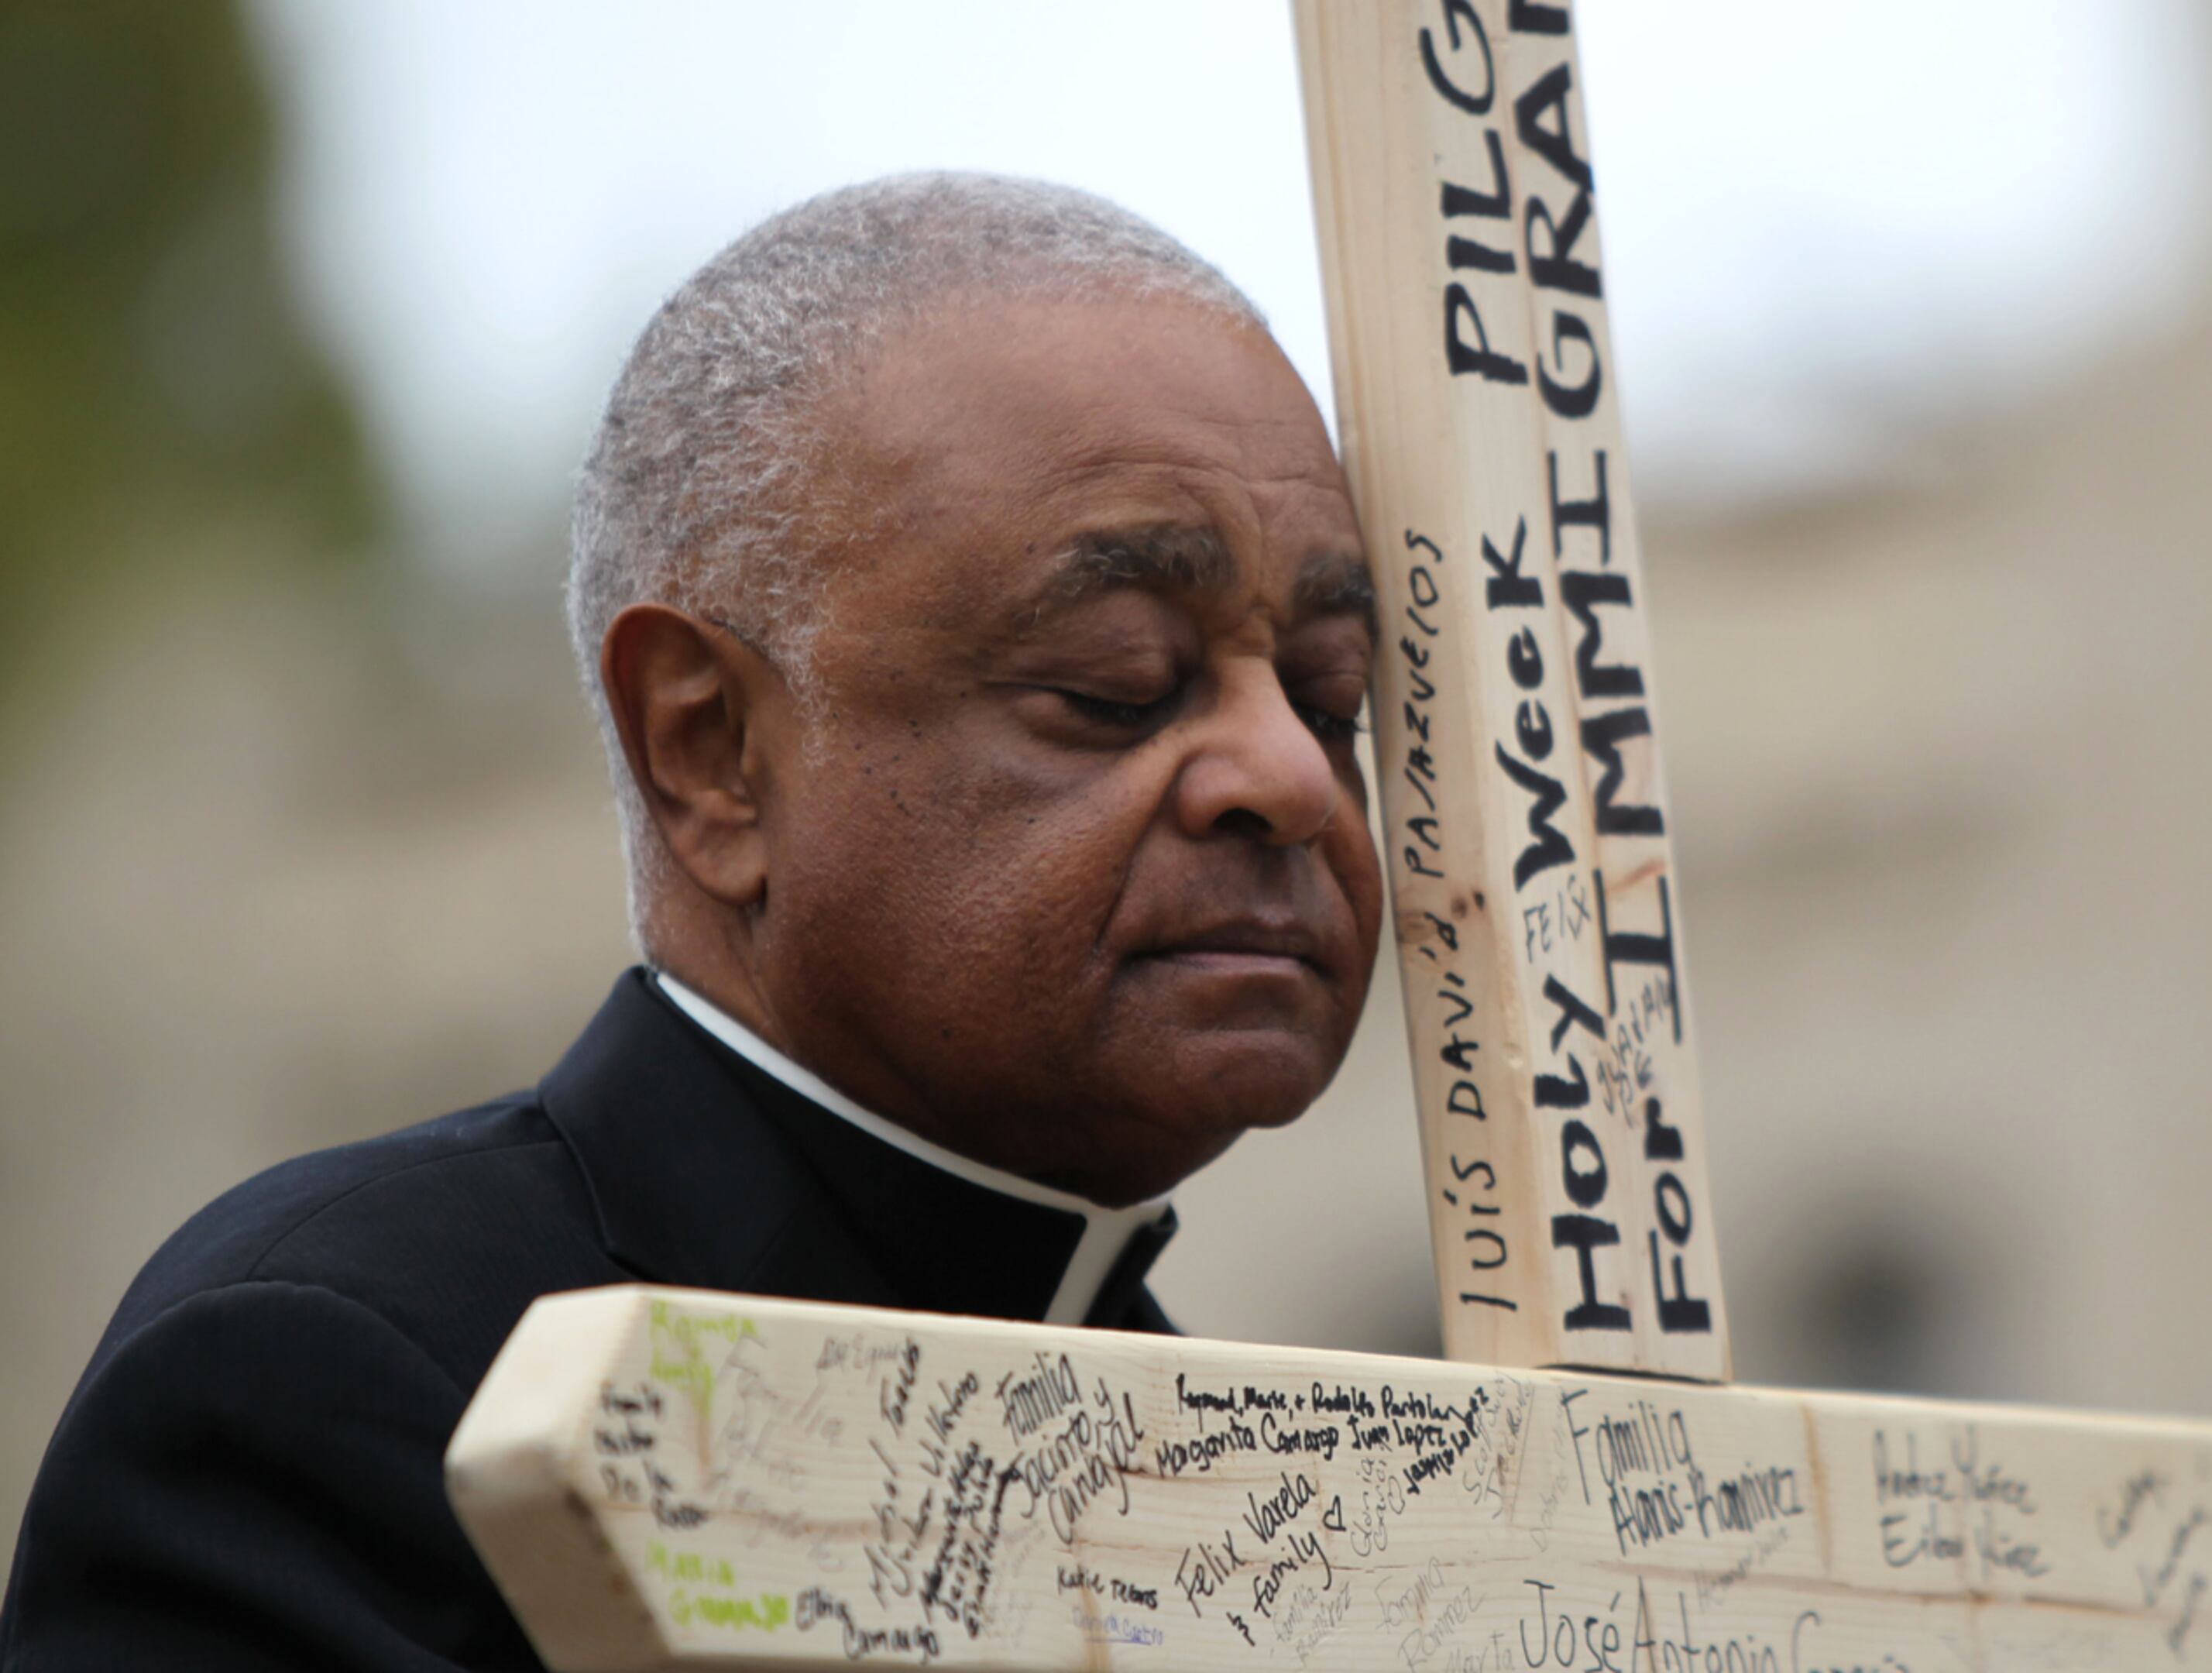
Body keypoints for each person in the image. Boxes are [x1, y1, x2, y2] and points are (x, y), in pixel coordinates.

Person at [0, 173, 1383, 1671]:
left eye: (1330, 697)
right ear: (710, 752)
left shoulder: (1301, 1494)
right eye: (1118, 683)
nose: (1293, 777)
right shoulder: (349, 1379)